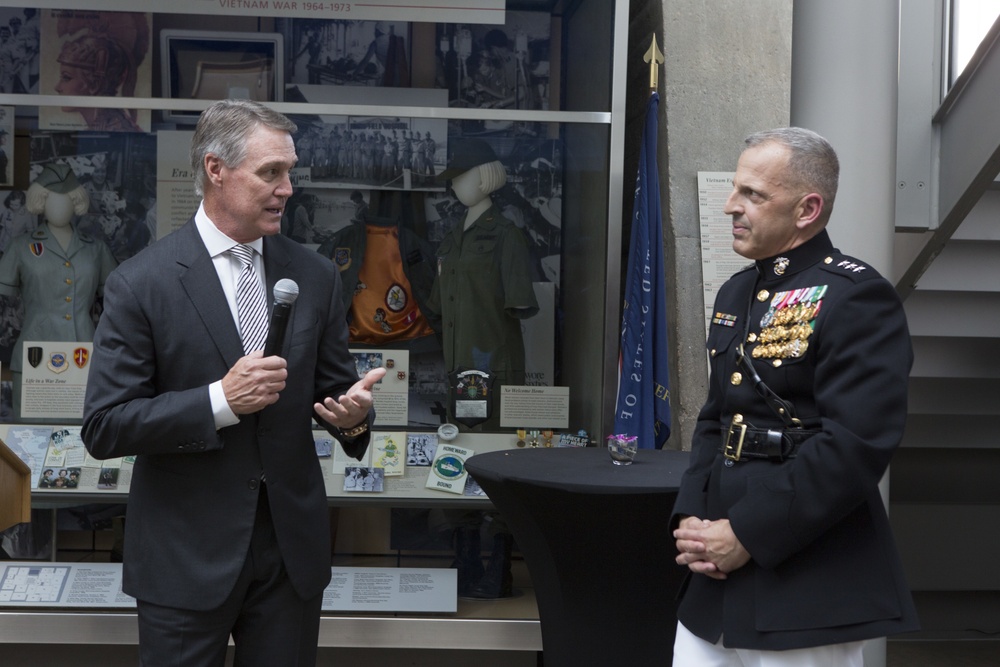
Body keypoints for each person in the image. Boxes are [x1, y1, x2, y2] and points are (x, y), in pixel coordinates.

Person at [81, 99, 386, 667]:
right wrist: (220, 400)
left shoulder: (315, 274)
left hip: (289, 556)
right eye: (270, 172)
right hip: (184, 556)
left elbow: (338, 396)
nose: (288, 188)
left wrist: (355, 418)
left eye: (289, 171)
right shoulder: (141, 283)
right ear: (216, 169)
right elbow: (104, 426)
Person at [670, 127, 918, 665]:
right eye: (736, 189)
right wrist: (692, 519)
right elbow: (716, 417)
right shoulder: (739, 290)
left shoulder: (855, 295)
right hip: (712, 581)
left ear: (807, 209)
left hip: (806, 581)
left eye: (753, 195)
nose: (731, 207)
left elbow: (854, 445)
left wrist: (747, 534)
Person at [0, 162, 117, 421]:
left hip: (83, 356)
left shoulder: (95, 249)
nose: (59, 205)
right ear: (40, 201)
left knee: (83, 438)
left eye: (66, 198)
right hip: (35, 359)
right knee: (29, 443)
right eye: (52, 198)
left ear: (76, 202)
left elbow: (116, 303)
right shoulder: (20, 248)